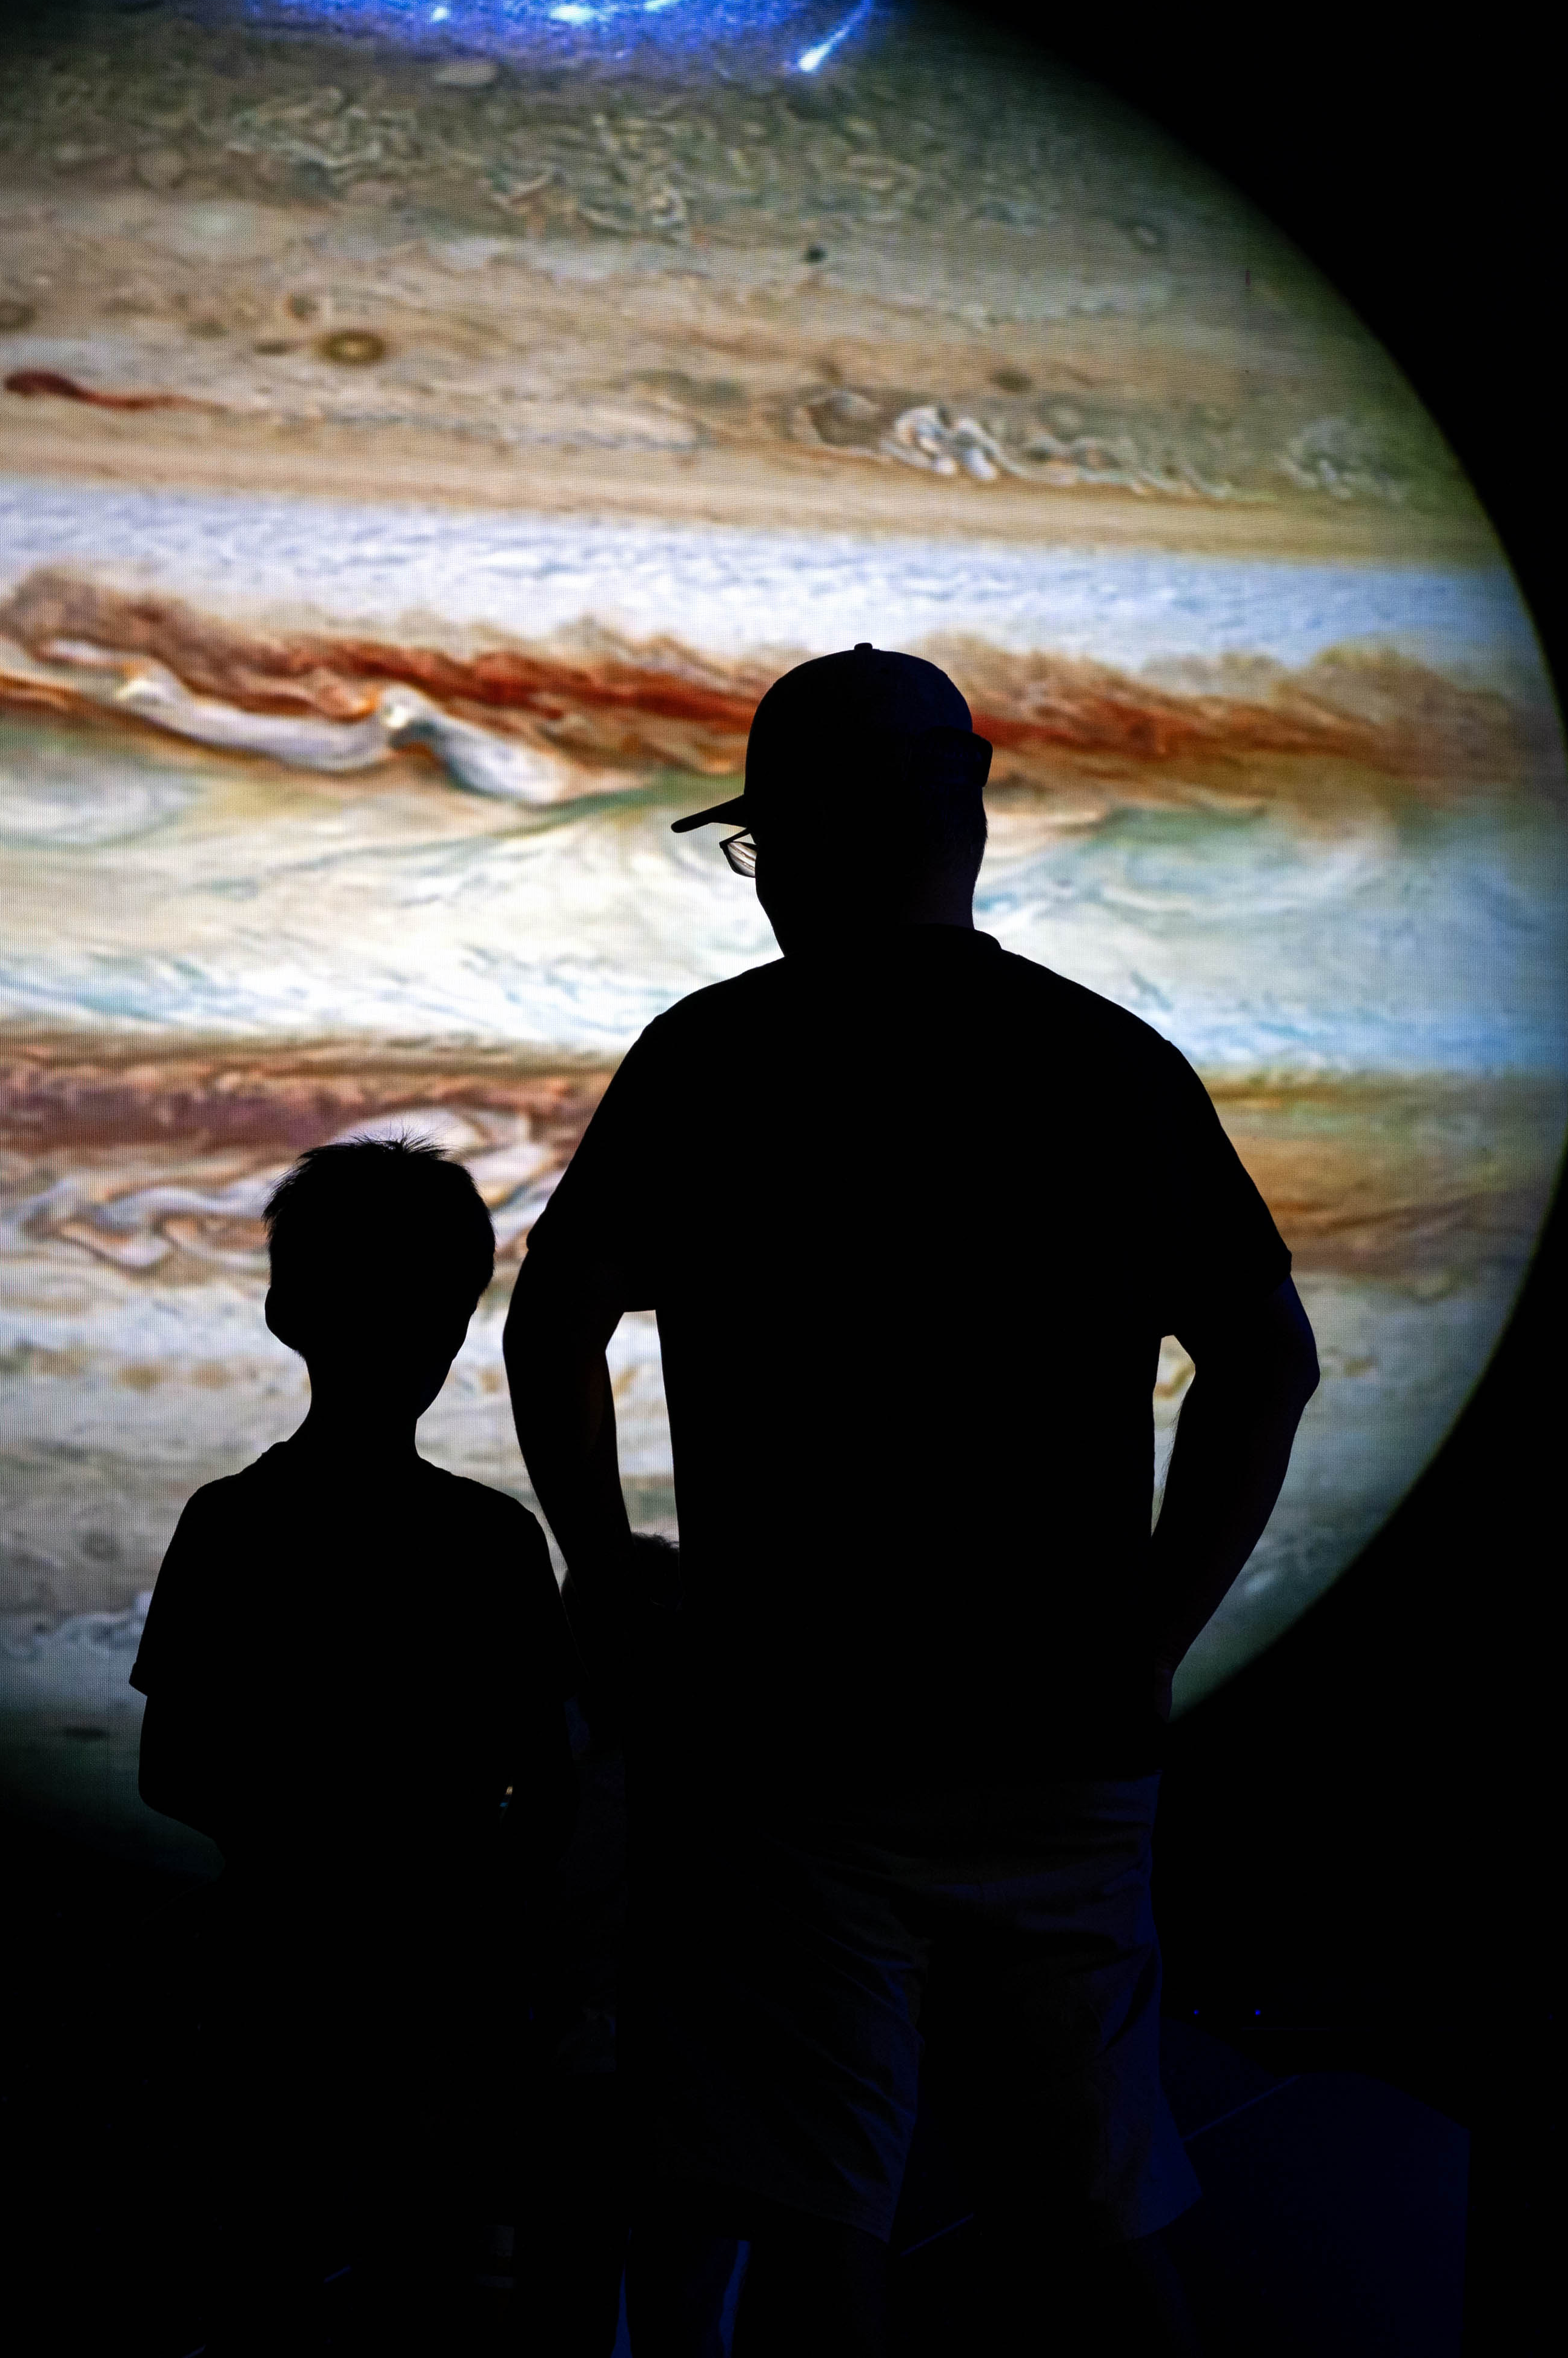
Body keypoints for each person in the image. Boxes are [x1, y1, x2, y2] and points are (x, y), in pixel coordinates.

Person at [505, 645, 1320, 2358]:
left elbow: (557, 1318)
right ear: (962, 813)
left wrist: (606, 1567)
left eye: (761, 845)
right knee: (1094, 2215)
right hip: (1059, 1748)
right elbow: (1264, 1364)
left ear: (803, 841)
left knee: (821, 2224)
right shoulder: (1105, 1063)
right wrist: (1150, 1630)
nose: (764, 881)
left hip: (799, 1750)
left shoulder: (711, 1061)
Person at [133, 1135, 593, 2351]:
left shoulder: (229, 1524)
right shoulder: (491, 1543)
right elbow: (548, 1788)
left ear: (287, 1310)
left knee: (266, 2272)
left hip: (270, 1977)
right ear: (456, 1325)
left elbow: (171, 1764)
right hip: (449, 1997)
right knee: (430, 2286)